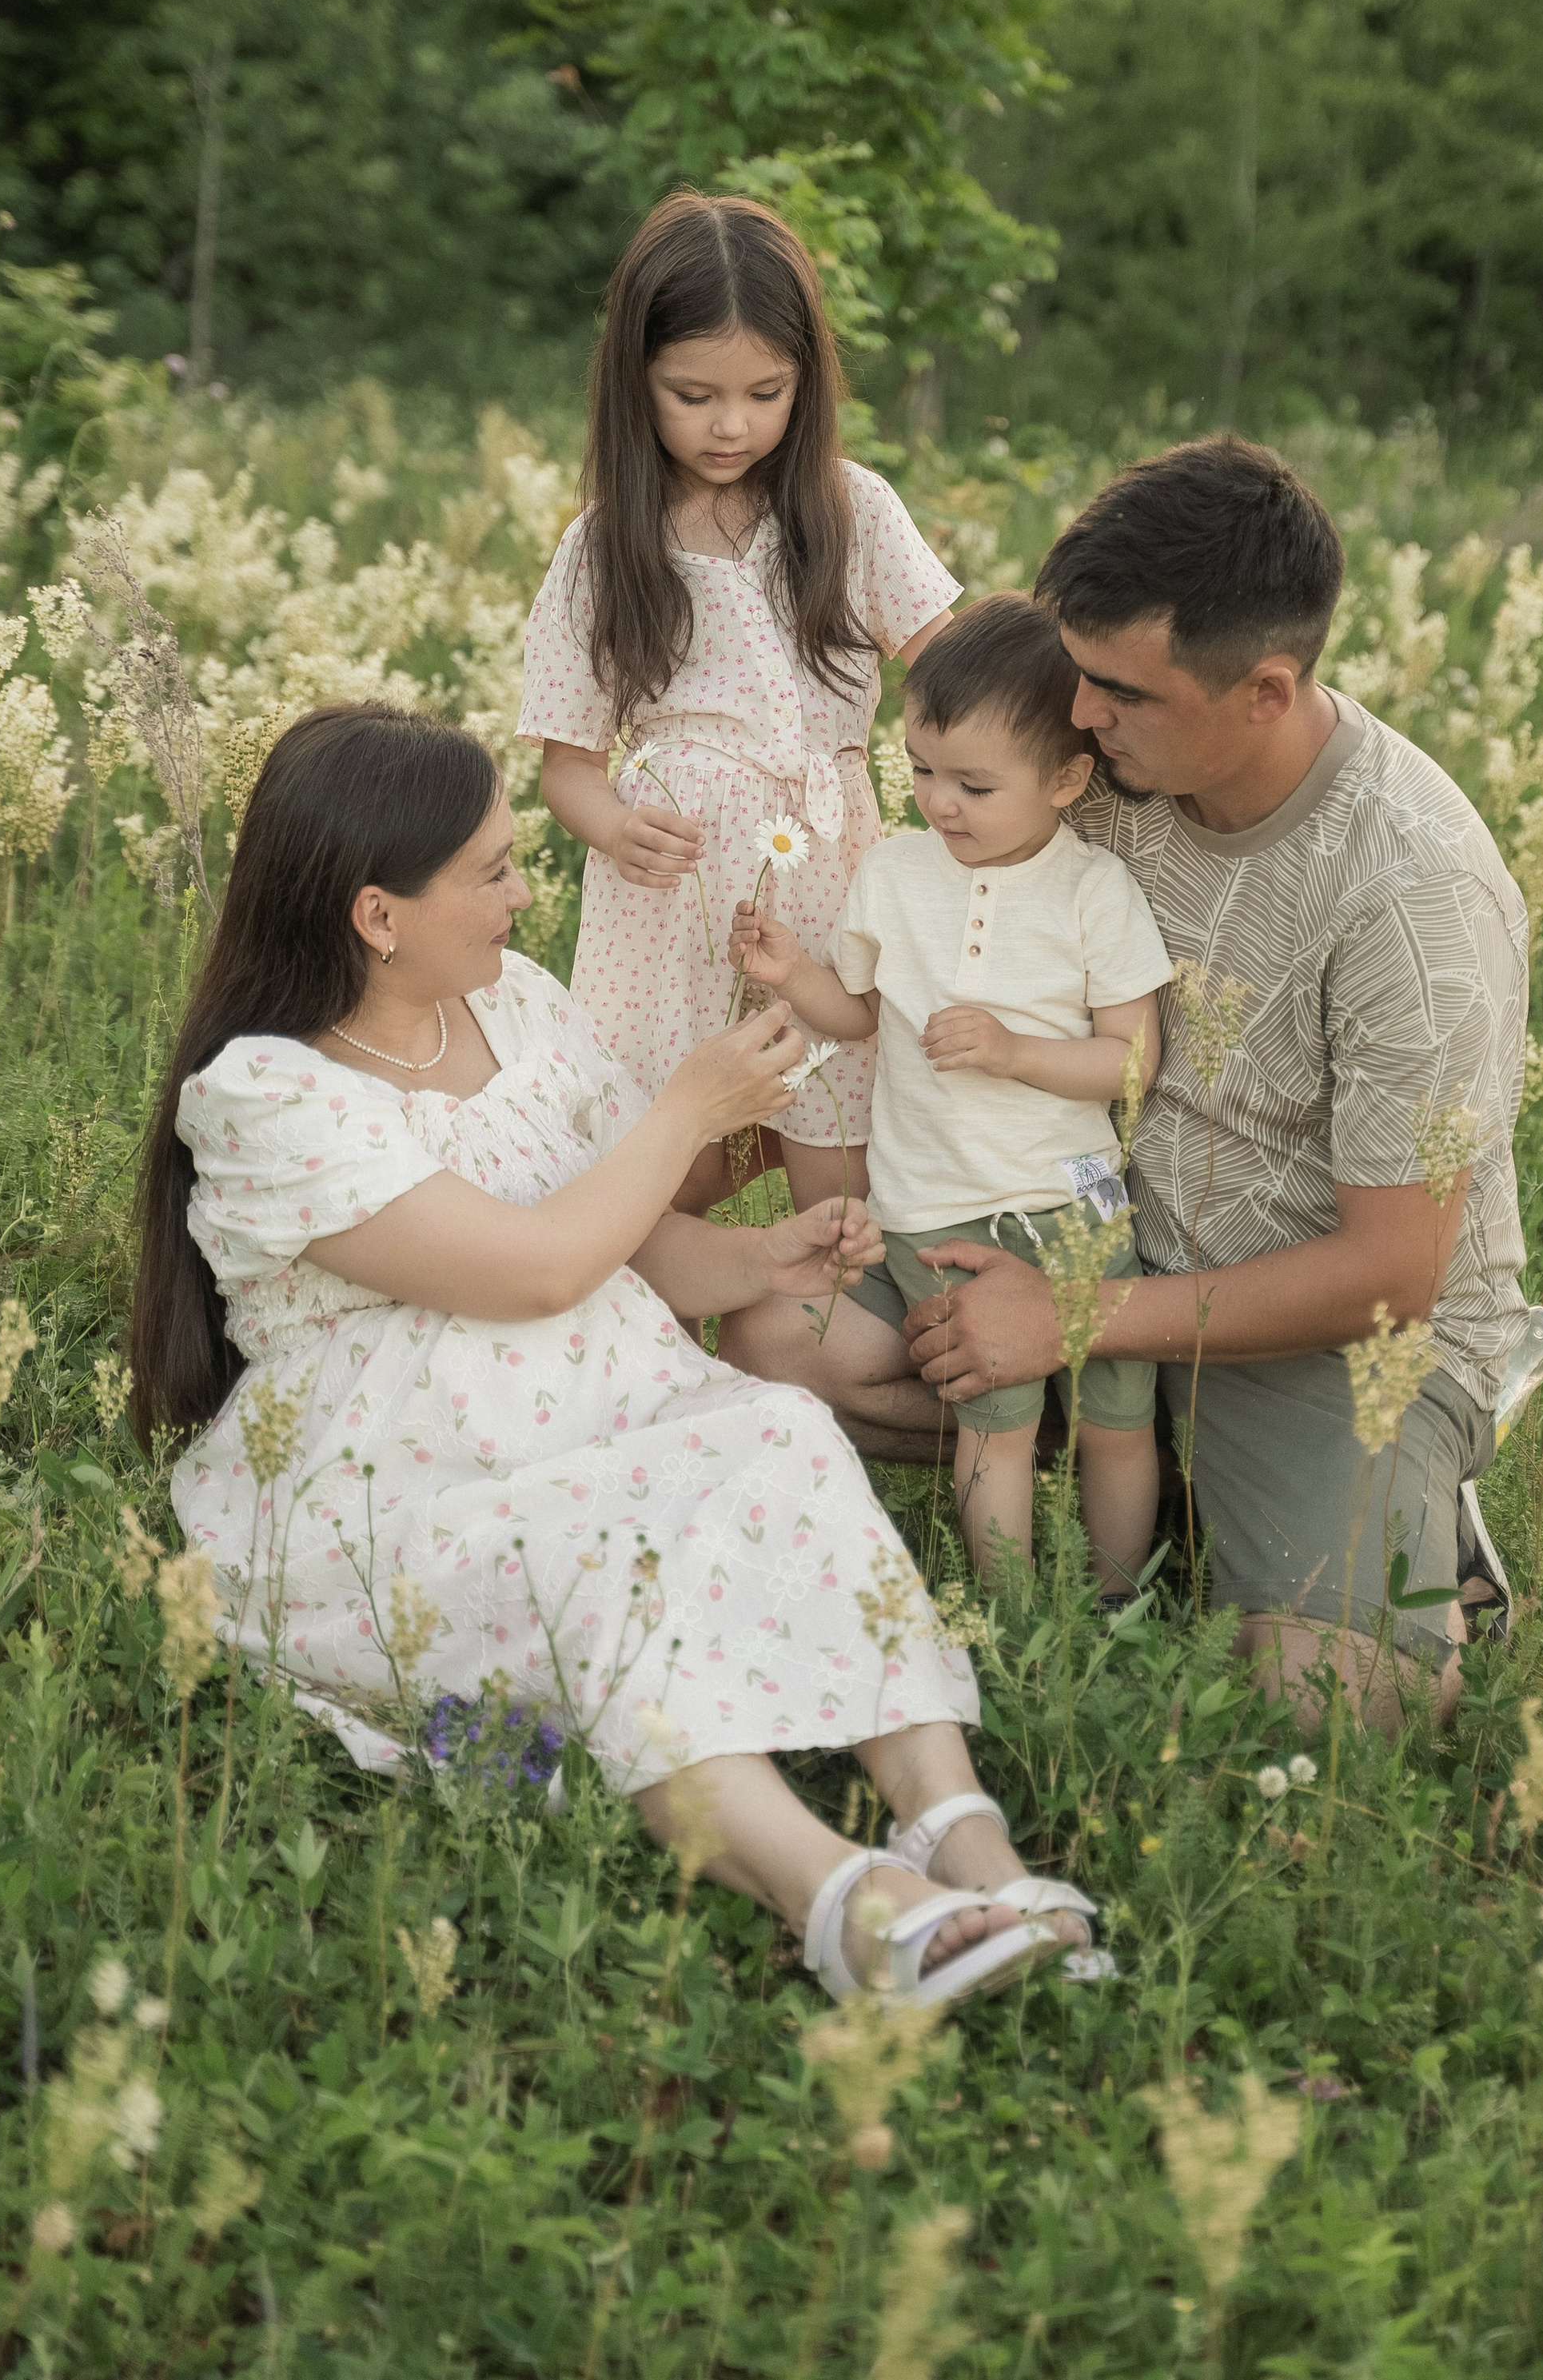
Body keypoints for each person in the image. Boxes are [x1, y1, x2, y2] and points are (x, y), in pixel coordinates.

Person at [129, 704, 1100, 2007]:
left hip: (614, 1398)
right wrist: (692, 1107)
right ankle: (843, 1899)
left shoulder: (515, 1007)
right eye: (491, 870)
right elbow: (535, 1265)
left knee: (785, 1439)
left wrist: (764, 1259)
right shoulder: (269, 1097)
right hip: (414, 1482)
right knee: (613, 1559)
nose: (523, 893)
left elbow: (626, 1234)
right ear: (377, 914)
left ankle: (968, 1842)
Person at [729, 437, 1536, 1734]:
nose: (1079, 719)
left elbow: (1393, 1275)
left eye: (1118, 692)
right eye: (1073, 673)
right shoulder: (1094, 775)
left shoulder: (1417, 900)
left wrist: (1076, 1319)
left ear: (1265, 690)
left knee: (1341, 1707)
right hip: (1052, 1226)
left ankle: (1394, 1524)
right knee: (777, 1341)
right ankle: (1143, 1471)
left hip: (1310, 1333)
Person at [519, 190, 959, 1219]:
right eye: (693, 395)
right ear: (635, 383)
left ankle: (820, 1337)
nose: (732, 425)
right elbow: (568, 765)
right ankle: (659, 1352)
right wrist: (618, 828)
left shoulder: (851, 511)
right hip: (668, 908)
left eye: (767, 393)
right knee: (675, 1172)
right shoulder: (602, 547)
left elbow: (955, 666)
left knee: (836, 1160)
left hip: (824, 880)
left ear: (807, 382)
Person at [729, 596, 1170, 1595]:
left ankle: (1116, 1603)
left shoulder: (1093, 890)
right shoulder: (892, 874)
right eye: (921, 770)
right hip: (938, 1207)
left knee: (1116, 1419)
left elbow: (1133, 1060)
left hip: (1074, 1202)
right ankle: (1015, 1626)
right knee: (993, 1422)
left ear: (1066, 778)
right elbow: (856, 1015)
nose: (940, 802)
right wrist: (792, 972)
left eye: (974, 783)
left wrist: (1016, 1052)